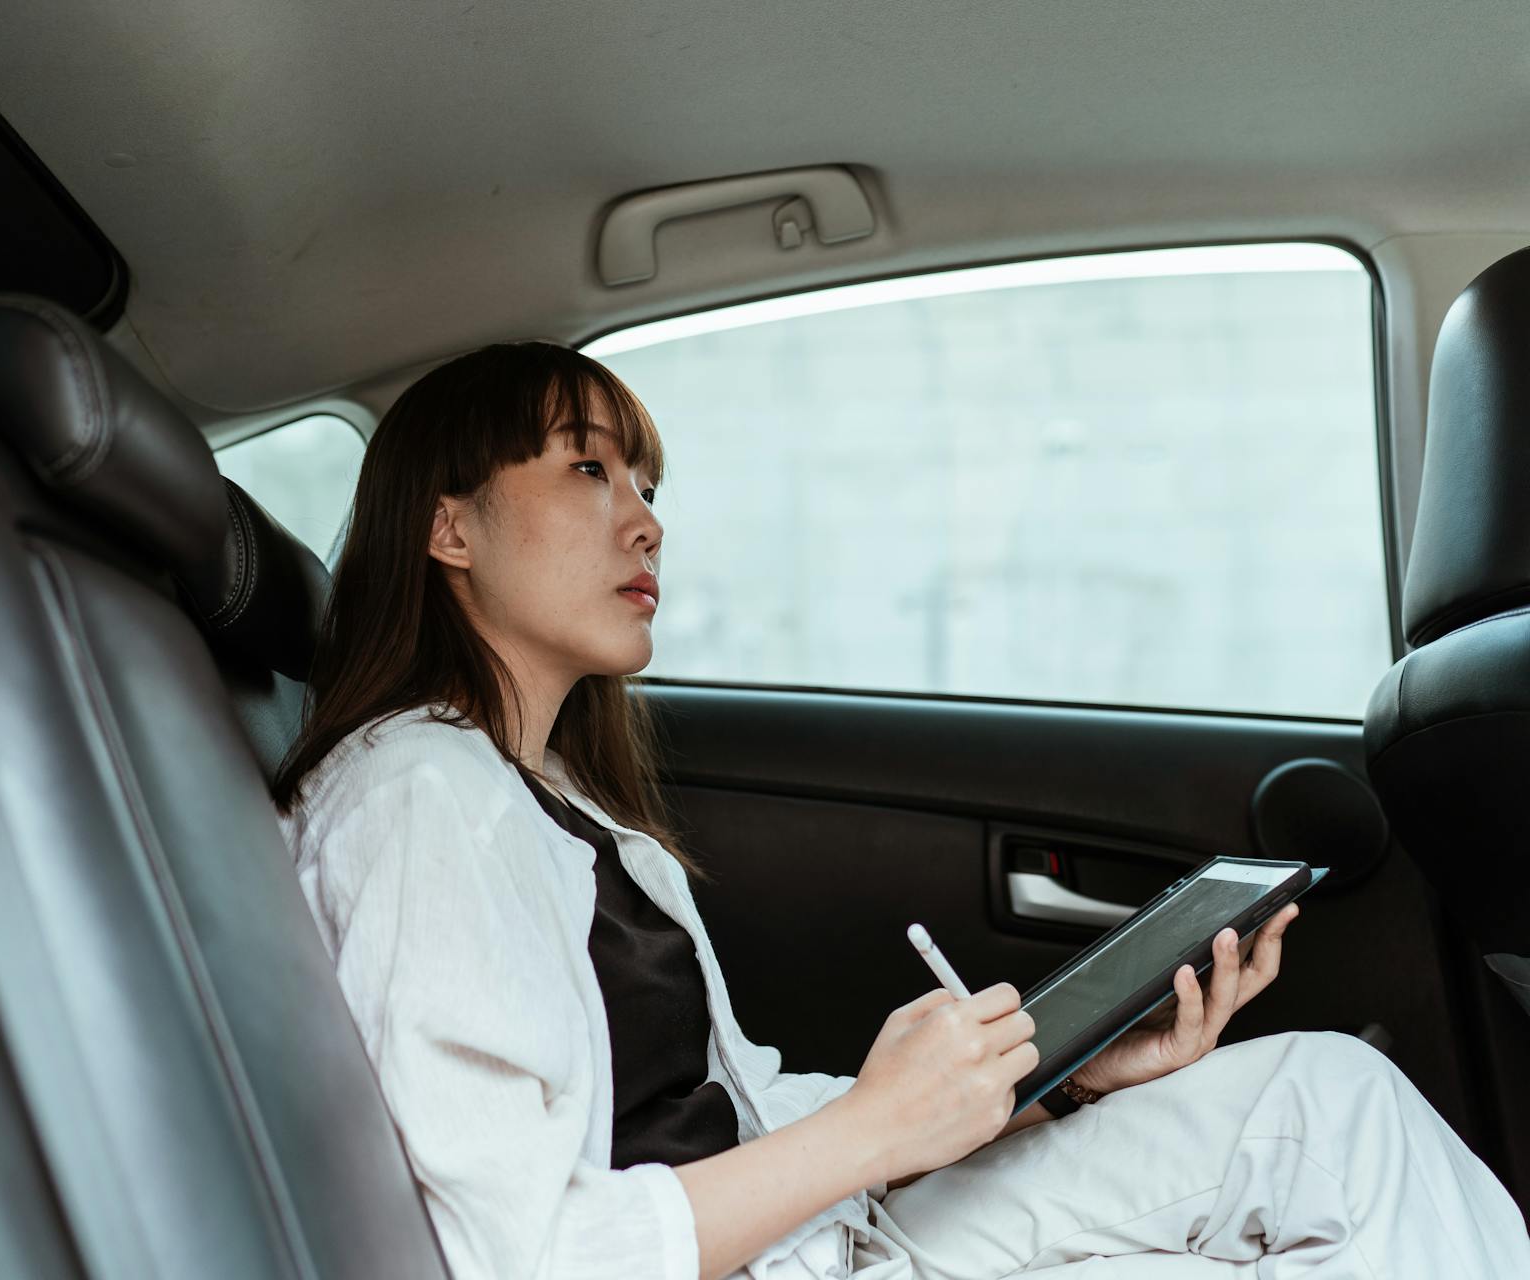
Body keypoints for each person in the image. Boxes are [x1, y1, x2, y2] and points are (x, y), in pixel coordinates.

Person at [272, 341, 1530, 1280]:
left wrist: (1051, 1084)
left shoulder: (556, 804)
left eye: (646, 481)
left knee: (1329, 1095)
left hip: (822, 1234)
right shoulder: (420, 800)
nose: (646, 518)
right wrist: (877, 1125)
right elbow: (524, 1252)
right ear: (448, 525)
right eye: (589, 468)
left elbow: (733, 1111)